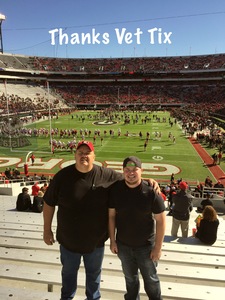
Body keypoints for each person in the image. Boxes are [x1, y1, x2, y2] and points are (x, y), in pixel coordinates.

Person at [43, 141, 160, 300]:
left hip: (95, 243)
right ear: (75, 155)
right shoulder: (62, 176)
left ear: (93, 156)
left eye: (87, 153)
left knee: (94, 278)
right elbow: (49, 203)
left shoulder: (106, 175)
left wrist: (147, 180)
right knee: (68, 277)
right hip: (69, 242)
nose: (84, 155)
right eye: (80, 153)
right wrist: (46, 230)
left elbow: (129, 177)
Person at [108, 156, 166, 300]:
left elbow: (161, 220)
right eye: (127, 169)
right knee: (130, 280)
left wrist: (158, 247)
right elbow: (111, 216)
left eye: (135, 169)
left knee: (151, 280)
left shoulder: (151, 192)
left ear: (142, 171)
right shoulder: (116, 190)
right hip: (123, 246)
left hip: (146, 247)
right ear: (123, 171)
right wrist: (112, 240)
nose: (131, 172)